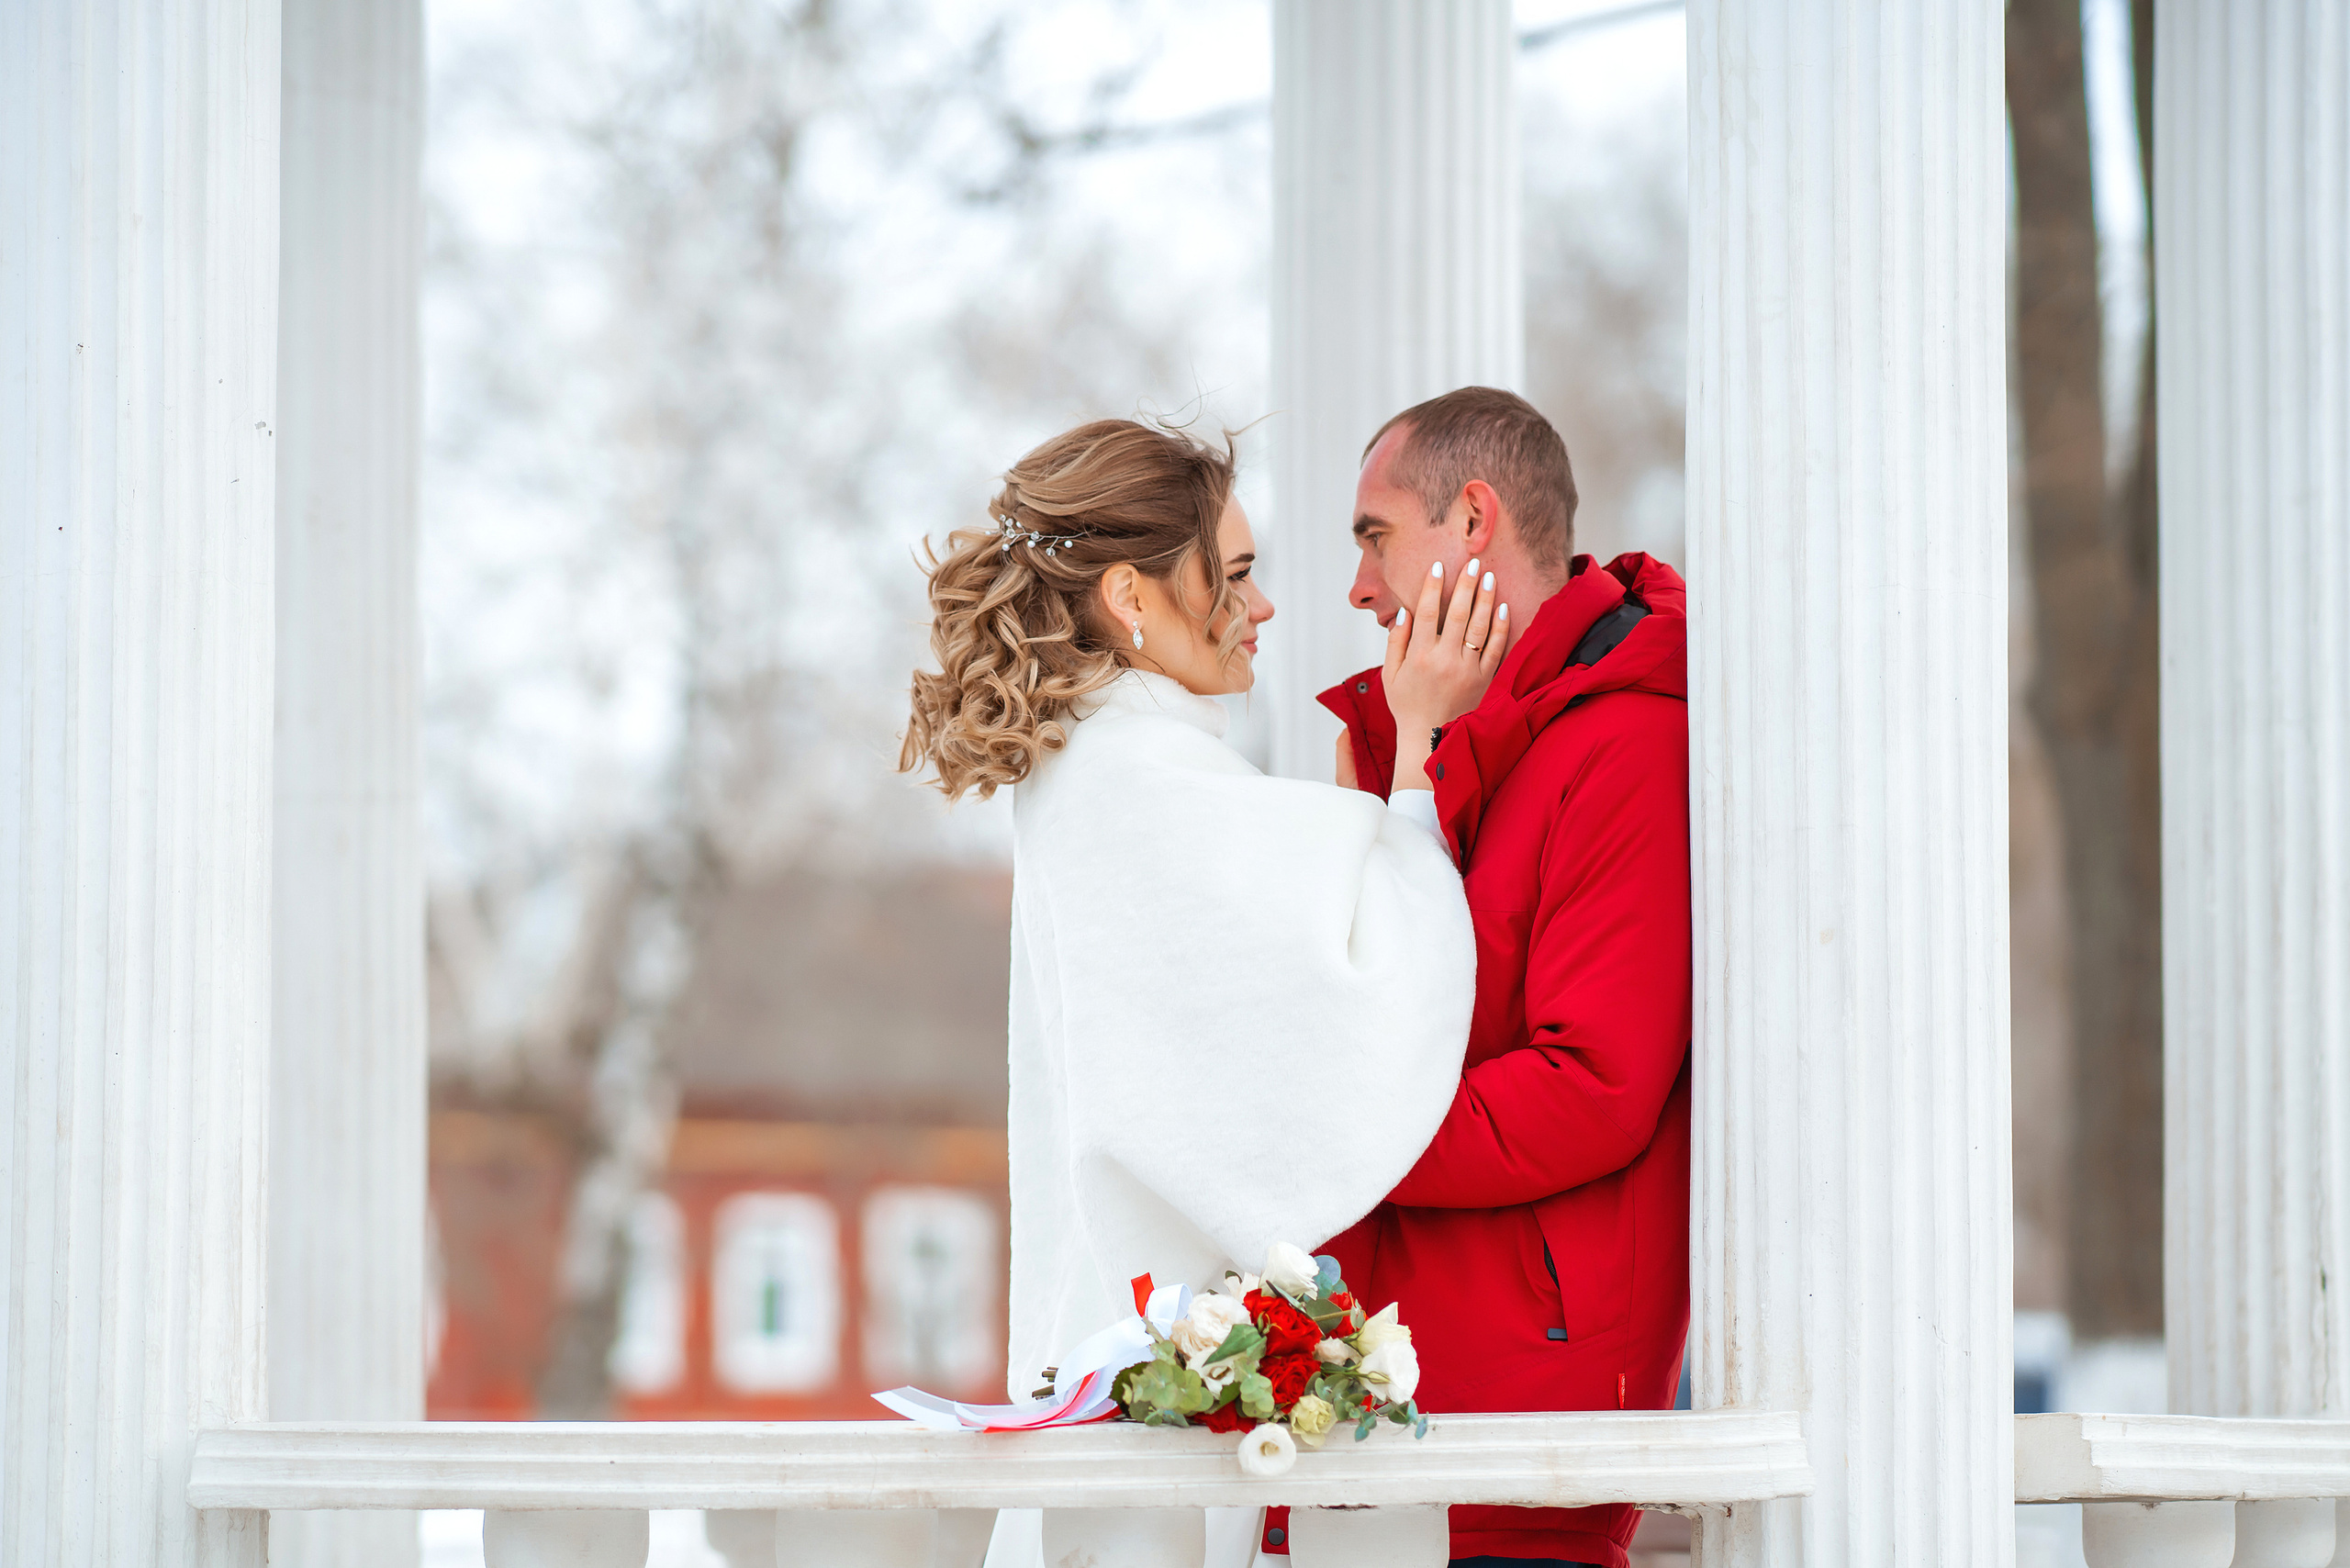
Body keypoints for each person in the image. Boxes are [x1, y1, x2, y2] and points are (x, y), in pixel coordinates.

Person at [901, 416, 1507, 1568]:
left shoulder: (1111, 762)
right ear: (1132, 596)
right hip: (1143, 1376)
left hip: (1127, 1344)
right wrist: (1422, 749)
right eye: (1232, 575)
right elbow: (1362, 987)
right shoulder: (1136, 777)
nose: (1264, 605)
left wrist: (1357, 828)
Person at [1317, 387, 1692, 1568]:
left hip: (1515, 1428)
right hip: (1375, 1393)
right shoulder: (1425, 747)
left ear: (1470, 520)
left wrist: (1342, 1139)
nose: (1359, 587)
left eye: (1375, 535)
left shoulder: (1622, 744)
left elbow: (1593, 1084)